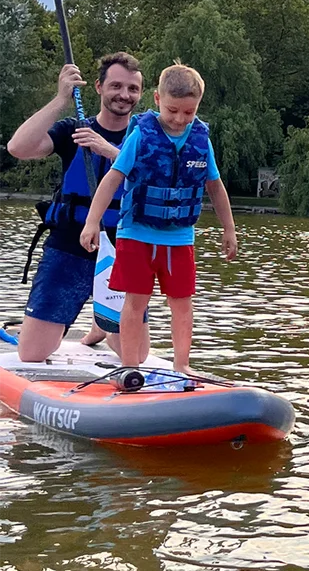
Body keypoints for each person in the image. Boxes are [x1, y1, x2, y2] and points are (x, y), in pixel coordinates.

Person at [79, 62, 237, 374]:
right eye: (173, 110)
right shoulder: (141, 135)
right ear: (157, 100)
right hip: (136, 234)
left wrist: (229, 229)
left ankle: (182, 365)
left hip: (179, 238)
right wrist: (92, 222)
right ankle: (129, 366)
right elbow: (113, 179)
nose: (180, 119)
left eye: (188, 113)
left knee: (182, 303)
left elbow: (215, 188)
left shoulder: (201, 140)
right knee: (135, 302)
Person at [5, 53, 143, 361]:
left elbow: (155, 178)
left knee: (137, 355)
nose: (124, 95)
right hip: (69, 245)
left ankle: (103, 324)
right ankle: (96, 319)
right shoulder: (74, 130)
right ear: (98, 87)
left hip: (124, 249)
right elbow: (18, 147)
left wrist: (108, 150)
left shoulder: (145, 138)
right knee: (32, 353)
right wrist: (59, 99)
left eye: (132, 89)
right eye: (116, 86)